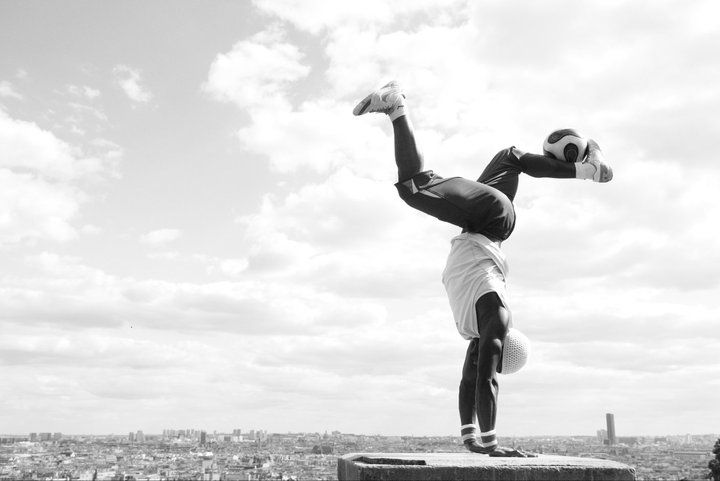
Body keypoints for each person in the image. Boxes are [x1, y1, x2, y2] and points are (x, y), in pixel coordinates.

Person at [353, 81, 612, 457]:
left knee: (511, 156)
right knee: (413, 188)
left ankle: (585, 166)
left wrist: (470, 439)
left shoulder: (476, 329)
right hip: (491, 220)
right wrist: (493, 445)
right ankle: (396, 104)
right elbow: (487, 381)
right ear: (503, 343)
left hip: (485, 221)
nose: (482, 354)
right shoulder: (496, 316)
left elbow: (469, 380)